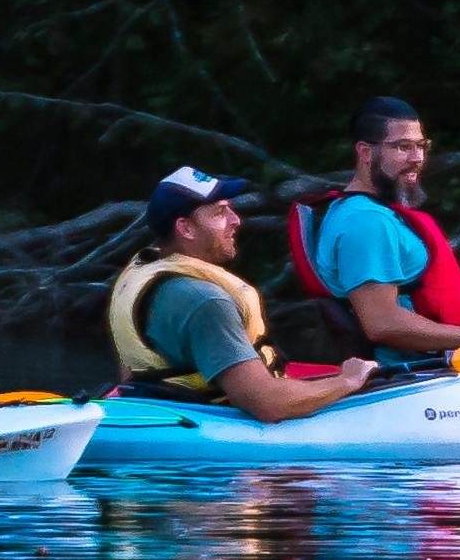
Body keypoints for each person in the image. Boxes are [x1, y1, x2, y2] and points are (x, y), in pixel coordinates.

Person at [113, 168, 380, 423]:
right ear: (186, 228)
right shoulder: (204, 300)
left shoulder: (144, 273)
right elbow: (267, 403)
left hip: (165, 407)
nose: (236, 220)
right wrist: (348, 381)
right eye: (220, 213)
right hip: (215, 427)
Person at [282, 96, 460, 365]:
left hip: (431, 368)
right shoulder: (366, 220)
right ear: (365, 152)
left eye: (421, 146)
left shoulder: (369, 212)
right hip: (410, 379)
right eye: (403, 147)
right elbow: (382, 322)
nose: (417, 158)